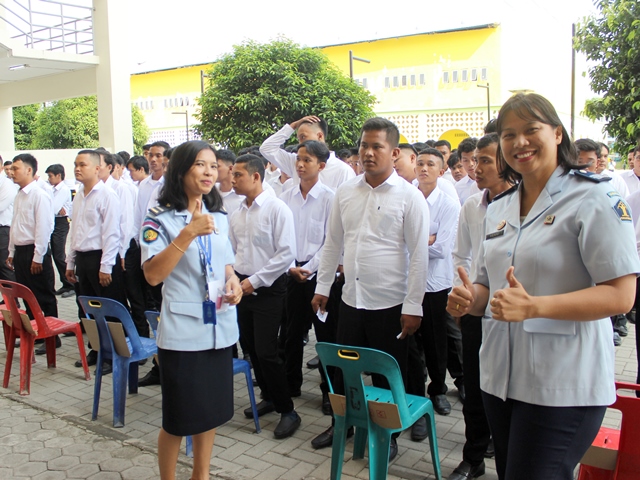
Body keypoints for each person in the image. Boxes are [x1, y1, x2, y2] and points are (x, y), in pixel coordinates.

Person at [447, 93, 640, 480]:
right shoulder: (500, 206)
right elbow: (488, 287)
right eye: (509, 134)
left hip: (563, 383)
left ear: (556, 133)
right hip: (501, 378)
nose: (520, 142)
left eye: (531, 130)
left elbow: (621, 294)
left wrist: (536, 306)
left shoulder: (595, 197)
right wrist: (471, 299)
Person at [311, 117, 429, 458]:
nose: (368, 152)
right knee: (341, 370)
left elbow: (419, 255)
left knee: (385, 377)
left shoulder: (410, 197)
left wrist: (413, 306)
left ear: (393, 152)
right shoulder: (346, 192)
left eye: (377, 146)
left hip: (390, 304)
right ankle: (342, 424)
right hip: (350, 299)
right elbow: (333, 243)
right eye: (364, 145)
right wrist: (322, 285)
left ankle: (387, 436)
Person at [139, 140, 242, 480]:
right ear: (181, 170)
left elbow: (226, 265)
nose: (209, 171)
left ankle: (202, 474)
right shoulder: (159, 219)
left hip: (218, 328)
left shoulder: (219, 216)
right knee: (179, 419)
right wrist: (187, 233)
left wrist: (234, 283)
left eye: (213, 165)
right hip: (184, 335)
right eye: (200, 164)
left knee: (209, 413)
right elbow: (153, 275)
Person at [450, 132, 510, 480]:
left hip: (510, 312)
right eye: (473, 160)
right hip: (475, 309)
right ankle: (473, 456)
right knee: (474, 388)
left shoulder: (522, 205)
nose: (474, 168)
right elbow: (461, 254)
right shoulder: (472, 206)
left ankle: (507, 461)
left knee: (503, 395)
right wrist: (464, 296)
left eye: (484, 160)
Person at [229, 154, 300, 439]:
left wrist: (254, 282)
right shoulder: (237, 213)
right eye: (232, 175)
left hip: (268, 288)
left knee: (268, 351)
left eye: (238, 175)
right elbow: (234, 252)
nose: (233, 180)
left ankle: (288, 410)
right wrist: (236, 280)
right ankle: (268, 396)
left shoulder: (276, 209)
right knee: (251, 348)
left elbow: (286, 254)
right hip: (242, 287)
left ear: (256, 176)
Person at [278, 140, 335, 414]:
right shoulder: (287, 195)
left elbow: (333, 242)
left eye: (307, 160)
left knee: (325, 337)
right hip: (291, 273)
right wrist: (291, 266)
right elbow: (280, 236)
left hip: (319, 277)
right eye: (298, 159)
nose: (300, 165)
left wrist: (309, 268)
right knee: (291, 334)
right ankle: (291, 383)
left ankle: (329, 391)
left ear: (321, 166)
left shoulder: (330, 198)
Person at [66, 150, 126, 370]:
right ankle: (97, 348)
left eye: (82, 164)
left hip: (101, 258)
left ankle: (114, 354)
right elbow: (76, 231)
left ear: (97, 168)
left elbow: (112, 233)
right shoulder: (80, 195)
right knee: (88, 309)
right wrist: (70, 262)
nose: (77, 169)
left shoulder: (107, 195)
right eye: (75, 164)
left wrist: (106, 266)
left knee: (108, 308)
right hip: (83, 258)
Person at [414, 148, 461, 418]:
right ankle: (414, 390)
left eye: (430, 164)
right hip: (408, 280)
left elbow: (442, 248)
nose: (423, 168)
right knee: (412, 340)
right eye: (420, 163)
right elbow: (395, 241)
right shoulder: (407, 197)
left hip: (435, 282)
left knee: (435, 340)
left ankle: (439, 389)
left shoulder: (448, 203)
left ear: (441, 171)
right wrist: (425, 239)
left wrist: (415, 242)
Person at [7, 154, 57, 323]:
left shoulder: (39, 195)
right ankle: (35, 330)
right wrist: (12, 252)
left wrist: (38, 257)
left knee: (43, 294)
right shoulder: (19, 195)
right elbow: (15, 225)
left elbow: (43, 228)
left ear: (29, 170)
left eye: (15, 169)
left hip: (35, 251)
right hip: (21, 252)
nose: (12, 172)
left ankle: (51, 335)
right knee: (26, 295)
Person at [259, 115, 355, 190]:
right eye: (299, 139)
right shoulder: (295, 162)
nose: (300, 143)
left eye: (303, 137)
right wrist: (293, 126)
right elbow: (267, 149)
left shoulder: (343, 170)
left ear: (320, 136)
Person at [45, 164, 75, 298]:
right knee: (55, 255)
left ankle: (72, 284)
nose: (49, 179)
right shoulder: (52, 189)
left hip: (61, 223)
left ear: (58, 175)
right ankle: (65, 282)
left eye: (51, 176)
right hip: (54, 221)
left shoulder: (63, 190)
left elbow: (53, 208)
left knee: (59, 254)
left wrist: (54, 207)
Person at [454, 137, 481, 204]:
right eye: (466, 160)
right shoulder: (458, 187)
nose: (470, 164)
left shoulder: (491, 182)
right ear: (460, 161)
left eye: (474, 159)